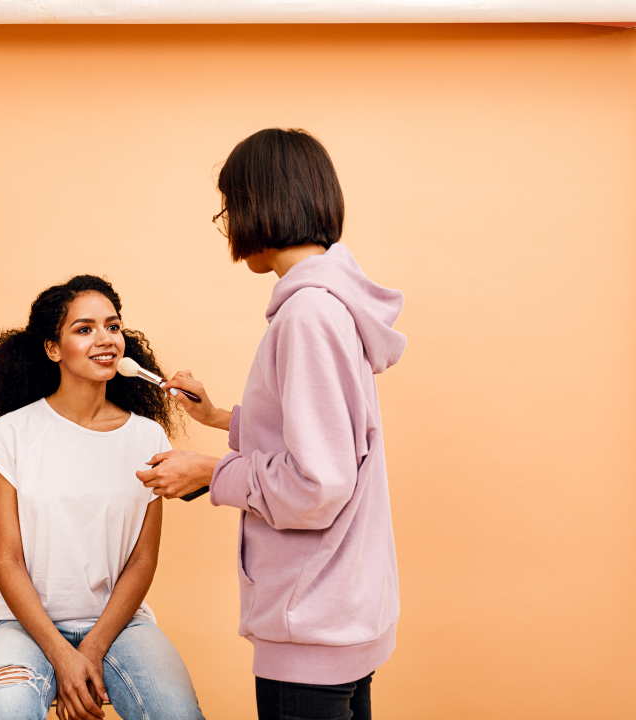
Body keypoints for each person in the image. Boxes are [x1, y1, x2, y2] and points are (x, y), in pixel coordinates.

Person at [138, 128, 405, 720]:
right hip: (343, 612)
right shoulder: (332, 304)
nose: (228, 226)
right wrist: (217, 418)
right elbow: (331, 438)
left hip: (312, 619)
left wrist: (209, 473)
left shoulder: (307, 316)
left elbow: (318, 485)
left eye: (228, 208)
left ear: (259, 205)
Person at [0, 275, 205, 720]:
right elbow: (7, 560)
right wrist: (62, 655)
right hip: (22, 626)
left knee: (178, 713)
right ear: (53, 348)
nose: (106, 340)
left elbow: (142, 560)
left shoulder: (148, 436)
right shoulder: (8, 437)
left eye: (113, 327)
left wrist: (92, 648)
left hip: (121, 625)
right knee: (4, 707)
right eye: (84, 329)